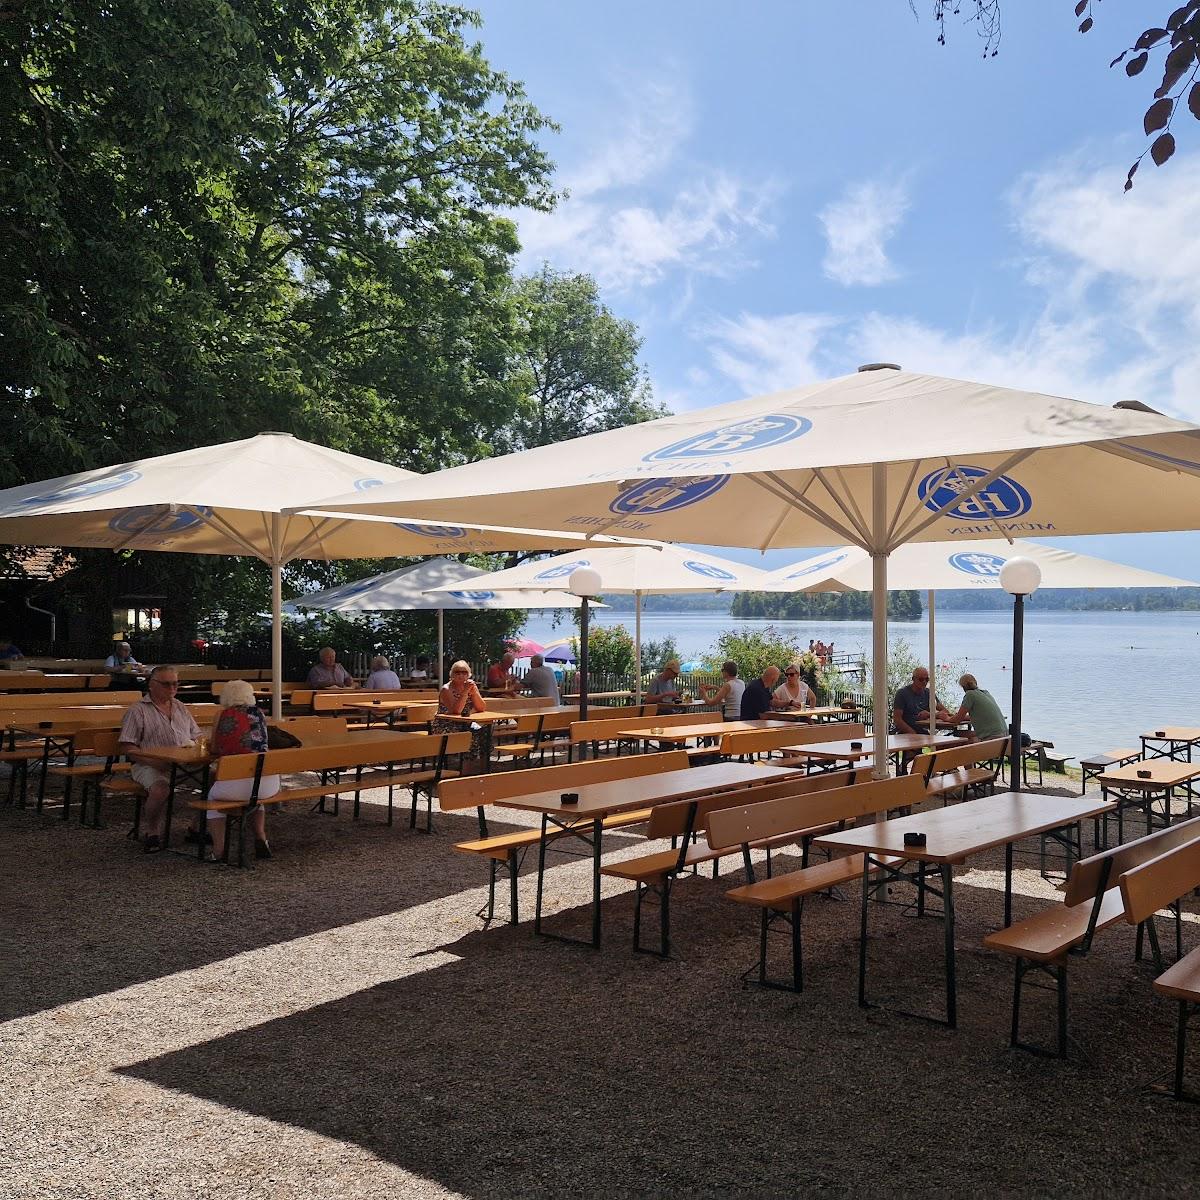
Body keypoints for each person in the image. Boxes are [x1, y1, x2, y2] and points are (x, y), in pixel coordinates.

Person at [118, 664, 201, 853]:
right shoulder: (137, 711)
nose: (172, 689)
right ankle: (152, 832)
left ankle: (196, 827)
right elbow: (126, 746)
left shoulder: (180, 706)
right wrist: (152, 761)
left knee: (215, 781)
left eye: (175, 684)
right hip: (148, 763)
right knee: (160, 789)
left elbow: (196, 735)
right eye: (166, 684)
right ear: (151, 685)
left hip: (181, 763)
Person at [204, 679, 277, 861]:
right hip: (267, 784)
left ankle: (219, 850)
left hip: (236, 785)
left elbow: (214, 749)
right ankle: (260, 837)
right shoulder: (259, 714)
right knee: (254, 793)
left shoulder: (222, 715)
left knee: (212, 799)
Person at [433, 660, 488, 758]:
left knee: (485, 730)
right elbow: (456, 711)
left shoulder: (471, 687)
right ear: (452, 674)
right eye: (457, 672)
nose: (461, 675)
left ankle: (482, 764)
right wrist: (465, 692)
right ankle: (466, 765)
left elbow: (481, 708)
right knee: (471, 732)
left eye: (464, 672)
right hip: (447, 724)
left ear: (469, 674)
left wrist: (474, 692)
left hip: (465, 722)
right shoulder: (446, 689)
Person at [944, 673, 1008, 742]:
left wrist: (946, 718)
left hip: (993, 738)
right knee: (964, 734)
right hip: (1004, 736)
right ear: (975, 682)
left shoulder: (970, 695)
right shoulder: (985, 693)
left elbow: (957, 719)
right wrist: (959, 716)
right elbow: (980, 715)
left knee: (957, 734)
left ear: (963, 687)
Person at [892, 667, 950, 735]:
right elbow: (897, 719)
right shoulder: (902, 693)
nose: (924, 682)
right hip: (905, 733)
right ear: (913, 679)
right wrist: (912, 733)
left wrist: (929, 715)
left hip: (923, 733)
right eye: (921, 679)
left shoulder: (929, 693)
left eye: (927, 679)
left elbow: (945, 711)